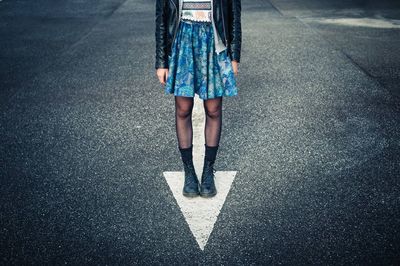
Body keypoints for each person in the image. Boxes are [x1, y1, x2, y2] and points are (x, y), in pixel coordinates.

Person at [155, 0, 241, 198]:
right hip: (182, 40)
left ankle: (208, 171)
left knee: (213, 109)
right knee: (183, 109)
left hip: (213, 40)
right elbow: (162, 17)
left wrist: (234, 55)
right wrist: (161, 61)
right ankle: (189, 173)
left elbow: (234, 14)